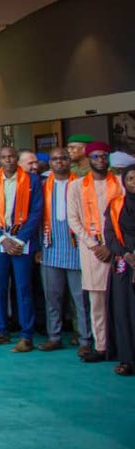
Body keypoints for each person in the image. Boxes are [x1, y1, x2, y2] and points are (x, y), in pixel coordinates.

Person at [0, 146, 44, 353]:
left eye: (11, 157)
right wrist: (2, 238)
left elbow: (36, 211)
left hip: (21, 242)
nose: (8, 160)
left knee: (23, 288)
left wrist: (19, 239)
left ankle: (27, 335)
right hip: (0, 241)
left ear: (16, 159)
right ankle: (1, 330)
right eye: (4, 157)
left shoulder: (31, 180)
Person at [67, 141, 123, 363]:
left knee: (122, 300)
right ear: (88, 159)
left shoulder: (120, 183)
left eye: (104, 156)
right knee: (97, 301)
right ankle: (101, 346)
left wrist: (112, 246)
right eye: (96, 156)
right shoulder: (77, 186)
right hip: (92, 251)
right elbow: (74, 220)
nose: (101, 160)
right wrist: (94, 245)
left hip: (118, 250)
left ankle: (123, 344)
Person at [38, 147, 90, 353]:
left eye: (63, 159)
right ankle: (54, 337)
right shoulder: (43, 186)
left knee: (80, 299)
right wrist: (38, 248)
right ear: (50, 163)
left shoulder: (81, 184)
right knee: (52, 297)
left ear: (70, 161)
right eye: (55, 159)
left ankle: (85, 340)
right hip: (50, 249)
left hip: (76, 250)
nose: (59, 162)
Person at [104, 164, 135, 376]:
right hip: (124, 264)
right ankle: (127, 359)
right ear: (124, 182)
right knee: (124, 312)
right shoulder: (116, 205)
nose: (134, 182)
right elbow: (110, 236)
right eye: (131, 178)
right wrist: (125, 254)